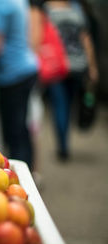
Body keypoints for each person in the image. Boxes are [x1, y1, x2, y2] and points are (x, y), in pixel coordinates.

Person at [0, 0, 39, 170]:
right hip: (26, 68)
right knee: (21, 127)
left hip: (11, 74)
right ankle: (30, 172)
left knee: (14, 131)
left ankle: (19, 176)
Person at [43, 0, 99, 160]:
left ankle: (63, 146)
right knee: (68, 104)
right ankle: (64, 142)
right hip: (78, 64)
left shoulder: (47, 9)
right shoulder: (76, 9)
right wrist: (92, 66)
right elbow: (86, 39)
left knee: (59, 105)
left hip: (56, 66)